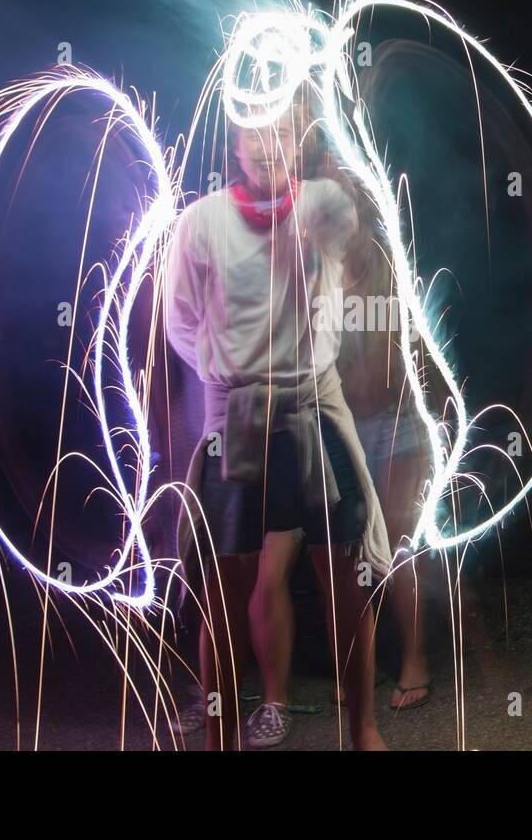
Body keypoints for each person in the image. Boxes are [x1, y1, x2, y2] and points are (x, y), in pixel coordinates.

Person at [163, 94, 390, 750]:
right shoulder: (199, 222)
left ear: (299, 140)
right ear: (235, 143)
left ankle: (364, 726)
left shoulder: (325, 204)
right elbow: (179, 317)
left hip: (314, 408)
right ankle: (219, 738)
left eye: (283, 131)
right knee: (224, 588)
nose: (268, 144)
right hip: (235, 417)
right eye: (255, 133)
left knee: (346, 576)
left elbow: (348, 236)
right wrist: (226, 373)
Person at [337, 207, 433, 710]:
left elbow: (422, 353)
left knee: (398, 545)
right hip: (341, 428)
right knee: (349, 552)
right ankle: (362, 668)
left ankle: (415, 659)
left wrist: (426, 423)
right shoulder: (314, 273)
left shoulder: (390, 269)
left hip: (395, 426)